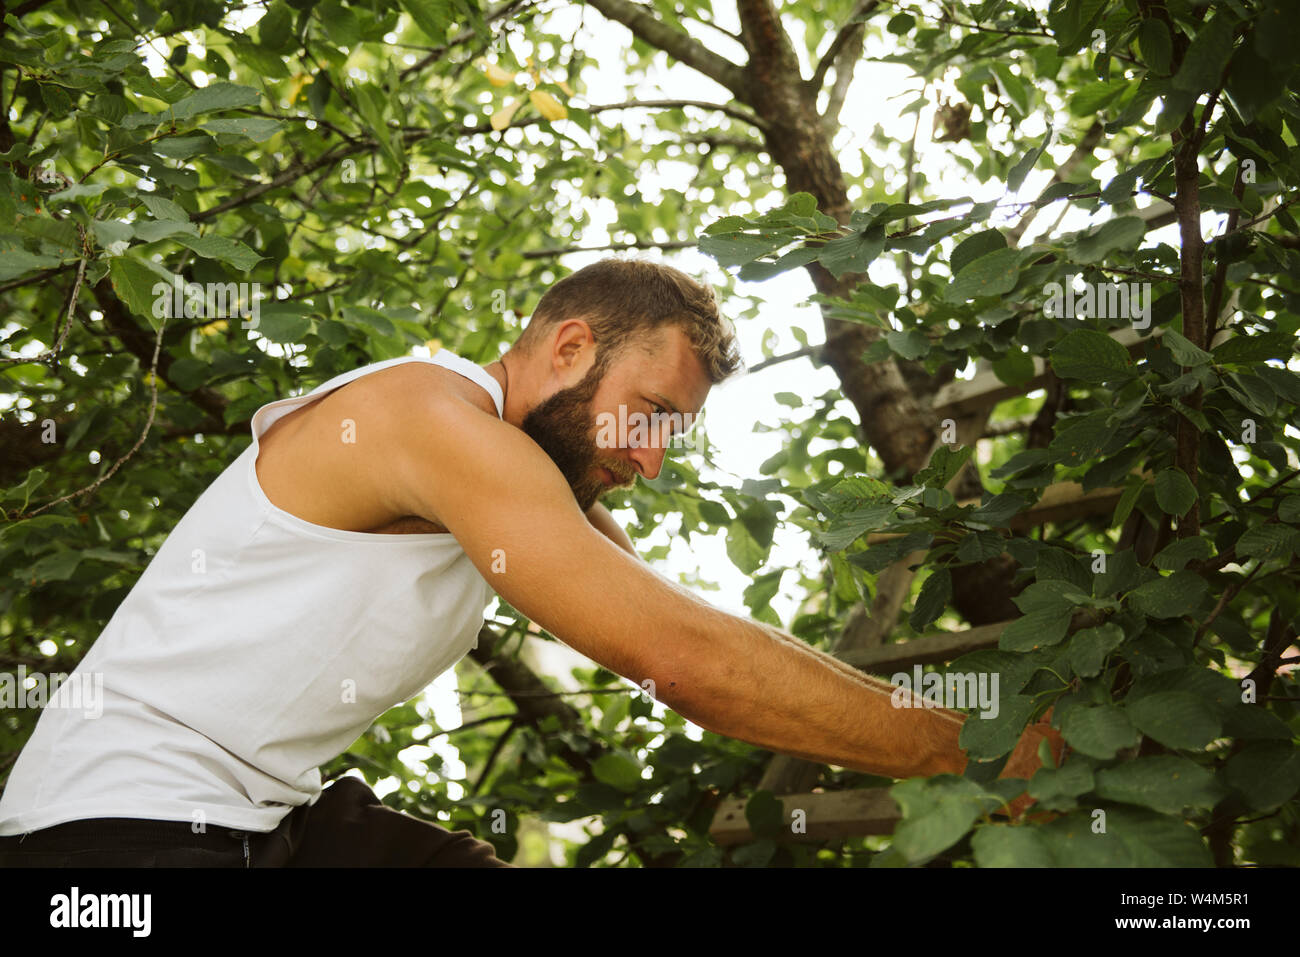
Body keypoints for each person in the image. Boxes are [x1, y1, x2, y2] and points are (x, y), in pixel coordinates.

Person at [0, 257, 1061, 867]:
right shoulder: (426, 416)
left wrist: (957, 727)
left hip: (264, 819)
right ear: (567, 348)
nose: (648, 459)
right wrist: (975, 752)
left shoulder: (527, 475)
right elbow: (684, 662)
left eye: (672, 435)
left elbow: (692, 631)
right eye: (646, 415)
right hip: (111, 835)